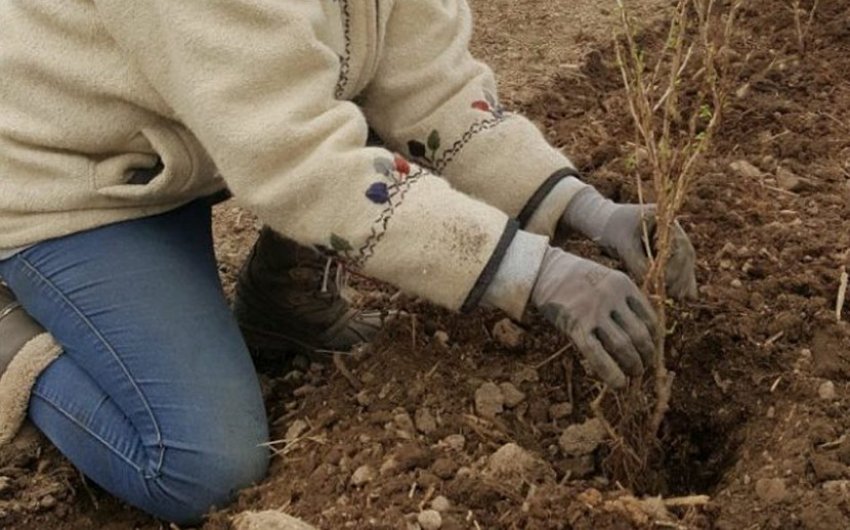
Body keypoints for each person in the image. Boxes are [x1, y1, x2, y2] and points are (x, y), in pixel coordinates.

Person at [0, 0, 697, 524]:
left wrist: (583, 208)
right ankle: (10, 338)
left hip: (191, 137)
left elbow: (433, 91)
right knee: (200, 464)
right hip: (64, 179)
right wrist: (535, 271)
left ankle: (282, 305)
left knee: (349, 105)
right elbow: (299, 160)